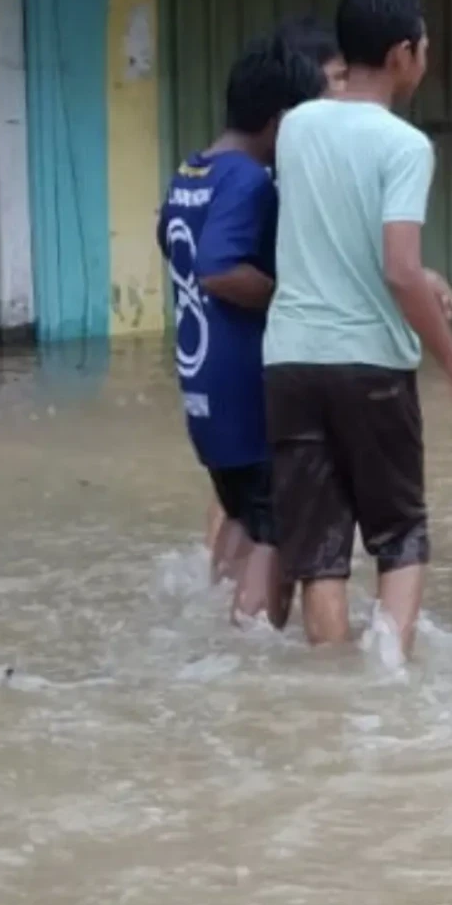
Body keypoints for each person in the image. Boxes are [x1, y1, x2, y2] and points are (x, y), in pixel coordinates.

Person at [262, 0, 452, 663]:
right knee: (400, 537)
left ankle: (333, 694)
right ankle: (388, 688)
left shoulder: (296, 125)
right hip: (369, 364)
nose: (426, 56)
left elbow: (332, 234)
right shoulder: (405, 146)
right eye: (424, 45)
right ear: (401, 55)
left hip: (289, 362)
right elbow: (397, 267)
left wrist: (419, 278)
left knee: (321, 552)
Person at [158, 33, 324, 625]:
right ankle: (249, 647)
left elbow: (173, 244)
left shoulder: (191, 171)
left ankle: (215, 617)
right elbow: (219, 268)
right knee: (278, 529)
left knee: (243, 518)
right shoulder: (249, 180)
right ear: (280, 121)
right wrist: (292, 298)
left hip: (203, 392)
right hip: (246, 394)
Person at [201, 13, 351, 562]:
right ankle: (251, 605)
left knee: (248, 506)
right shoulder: (259, 175)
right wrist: (290, 299)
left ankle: (222, 592)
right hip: (263, 369)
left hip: (223, 376)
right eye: (336, 78)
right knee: (275, 515)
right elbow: (218, 267)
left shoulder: (216, 169)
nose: (344, 91)